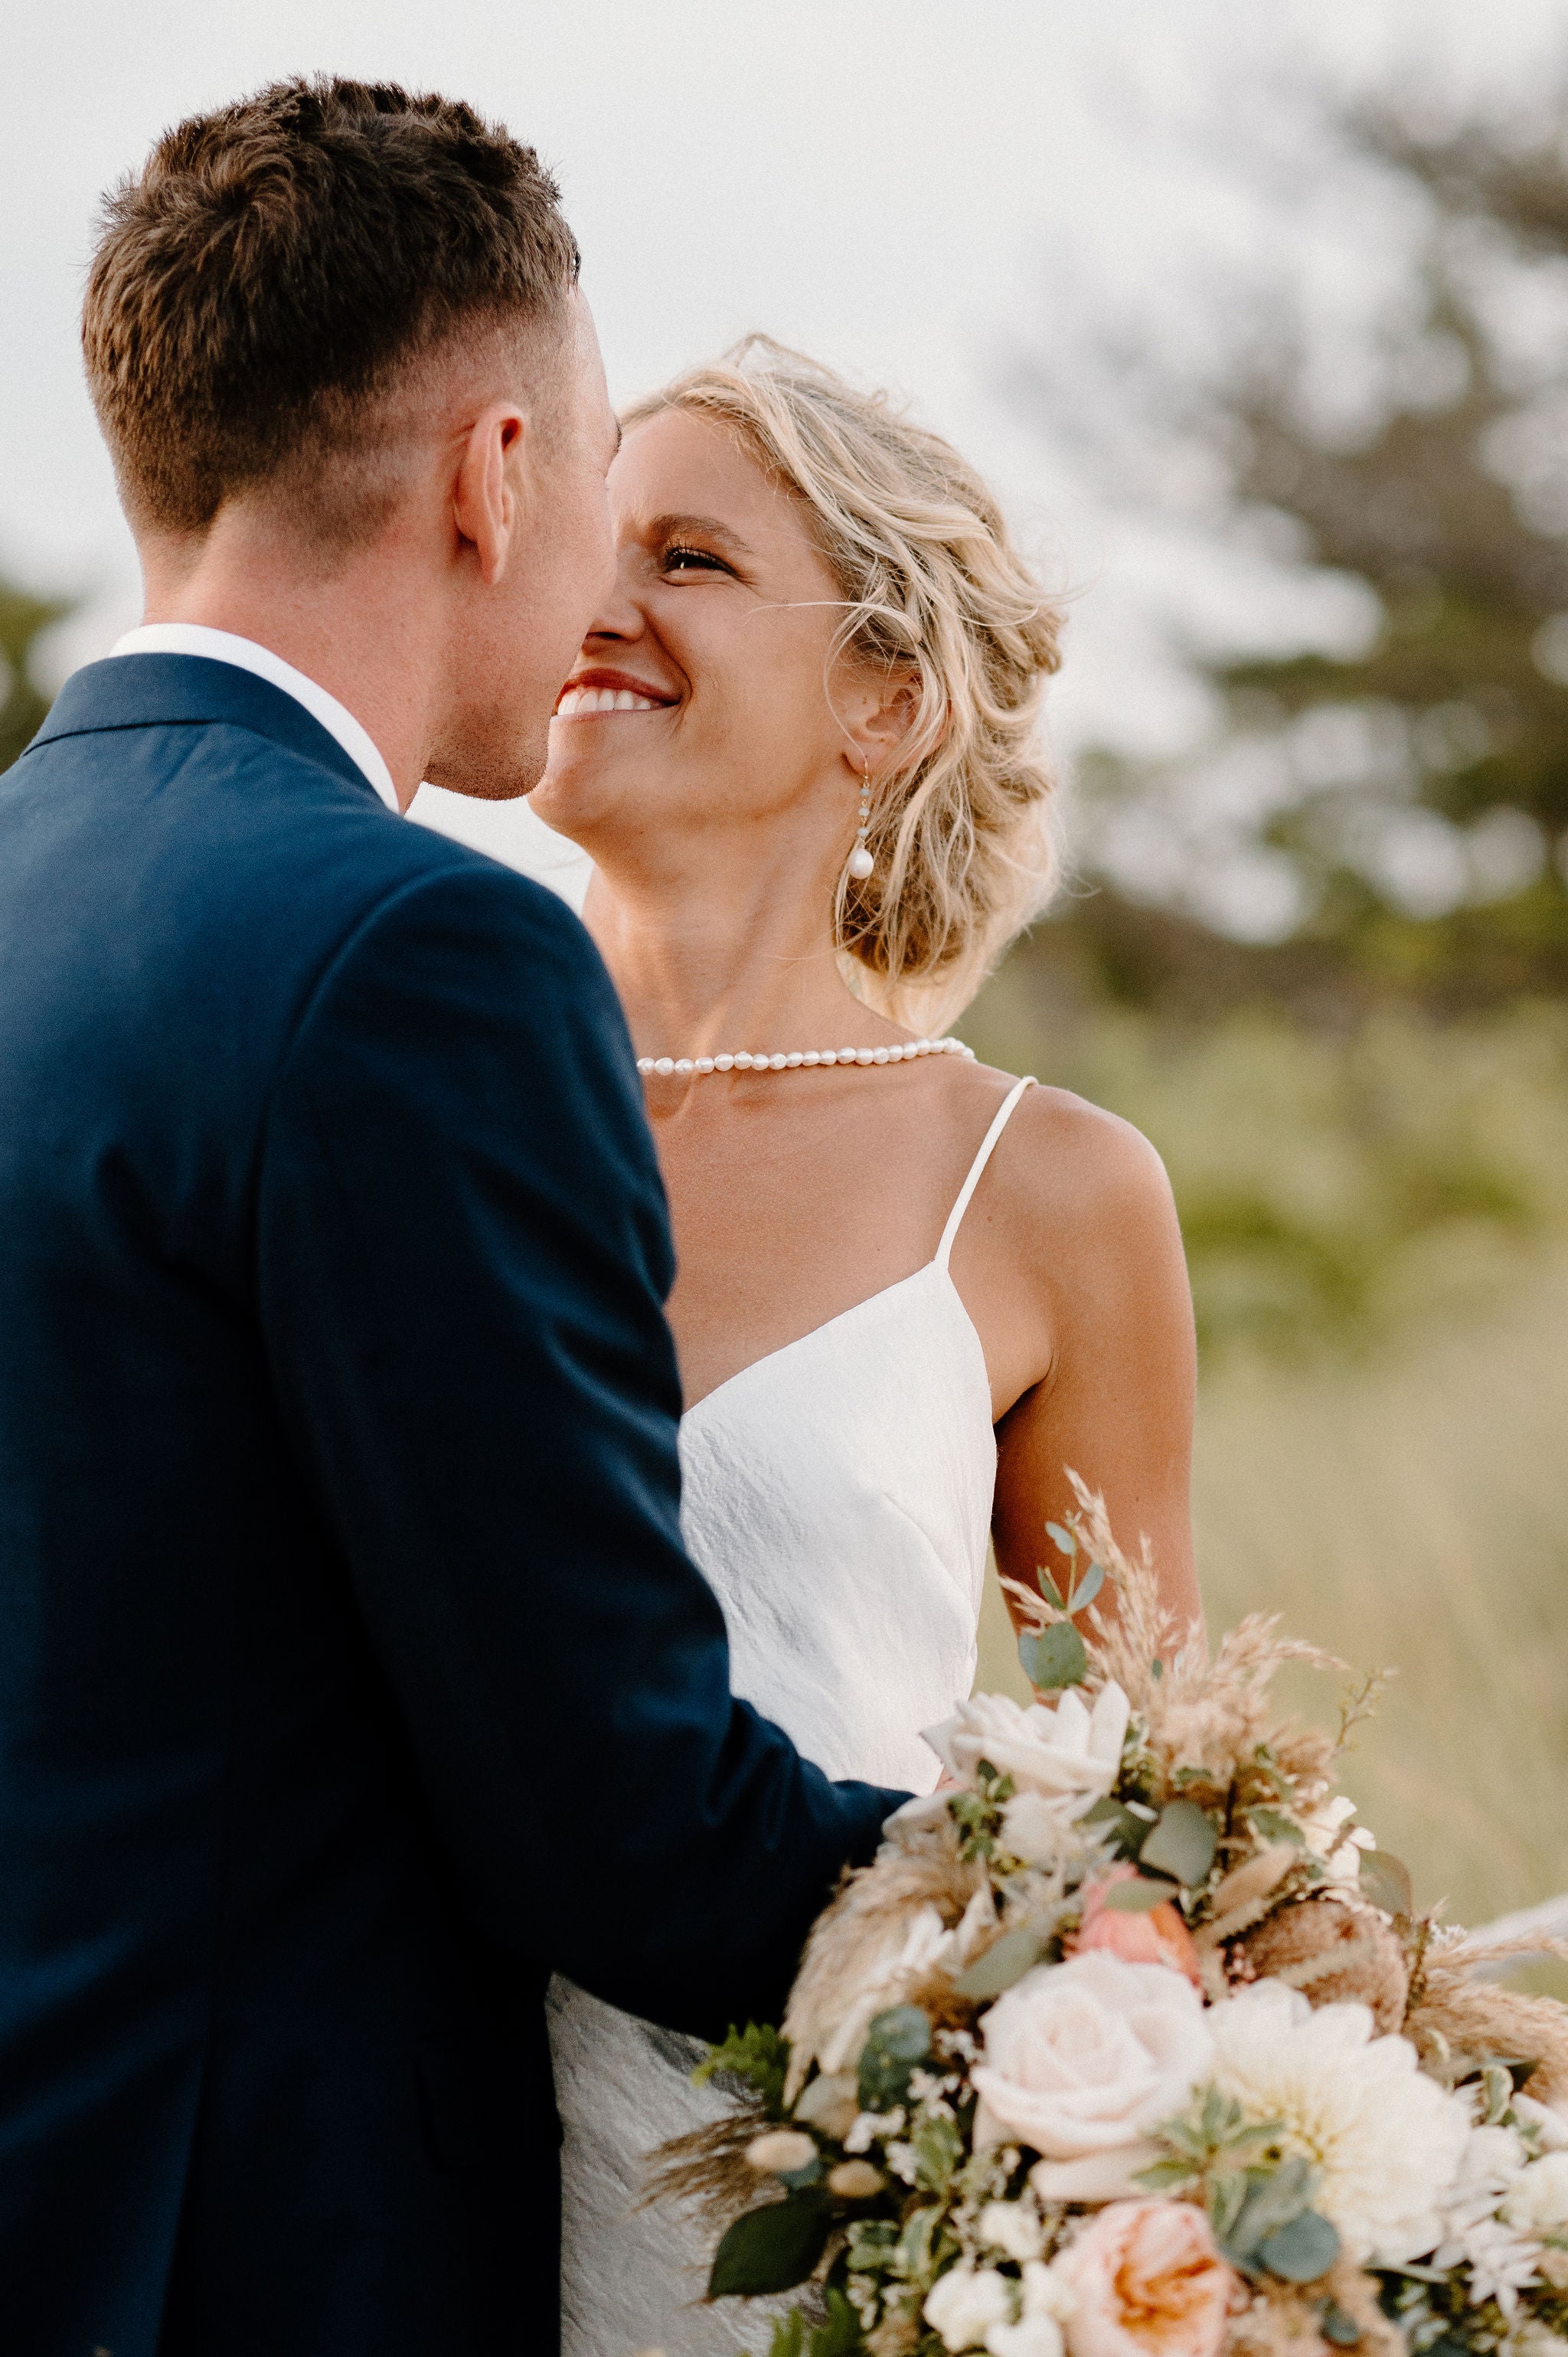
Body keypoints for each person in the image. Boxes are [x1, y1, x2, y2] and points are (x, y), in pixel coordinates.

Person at [0, 85, 907, 2357]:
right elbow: (607, 1818)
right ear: (499, 478)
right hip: (261, 2269)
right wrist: (1099, 1895)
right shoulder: (417, 956)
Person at [530, 341, 1203, 2353]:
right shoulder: (412, 1102)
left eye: (693, 560)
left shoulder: (1051, 1189)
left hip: (826, 2194)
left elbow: (1159, 1796)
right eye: (583, 541)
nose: (594, 602)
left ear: (884, 700)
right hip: (407, 2144)